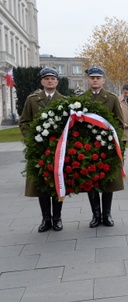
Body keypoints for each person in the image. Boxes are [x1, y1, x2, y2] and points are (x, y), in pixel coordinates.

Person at [19, 68, 65, 232]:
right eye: (46, 78)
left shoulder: (64, 100)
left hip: (58, 150)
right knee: (42, 183)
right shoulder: (33, 100)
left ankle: (57, 218)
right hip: (39, 149)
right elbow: (24, 122)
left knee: (58, 183)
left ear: (57, 82)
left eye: (53, 78)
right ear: (42, 82)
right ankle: (46, 219)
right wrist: (31, 138)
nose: (50, 81)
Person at [83, 67, 124, 228]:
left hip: (106, 147)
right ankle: (96, 215)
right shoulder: (82, 98)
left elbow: (119, 123)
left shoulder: (112, 98)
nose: (95, 80)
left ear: (103, 80)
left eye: (98, 78)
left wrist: (114, 141)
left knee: (108, 181)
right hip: (88, 148)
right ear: (88, 80)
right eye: (92, 77)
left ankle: (106, 214)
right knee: (90, 181)